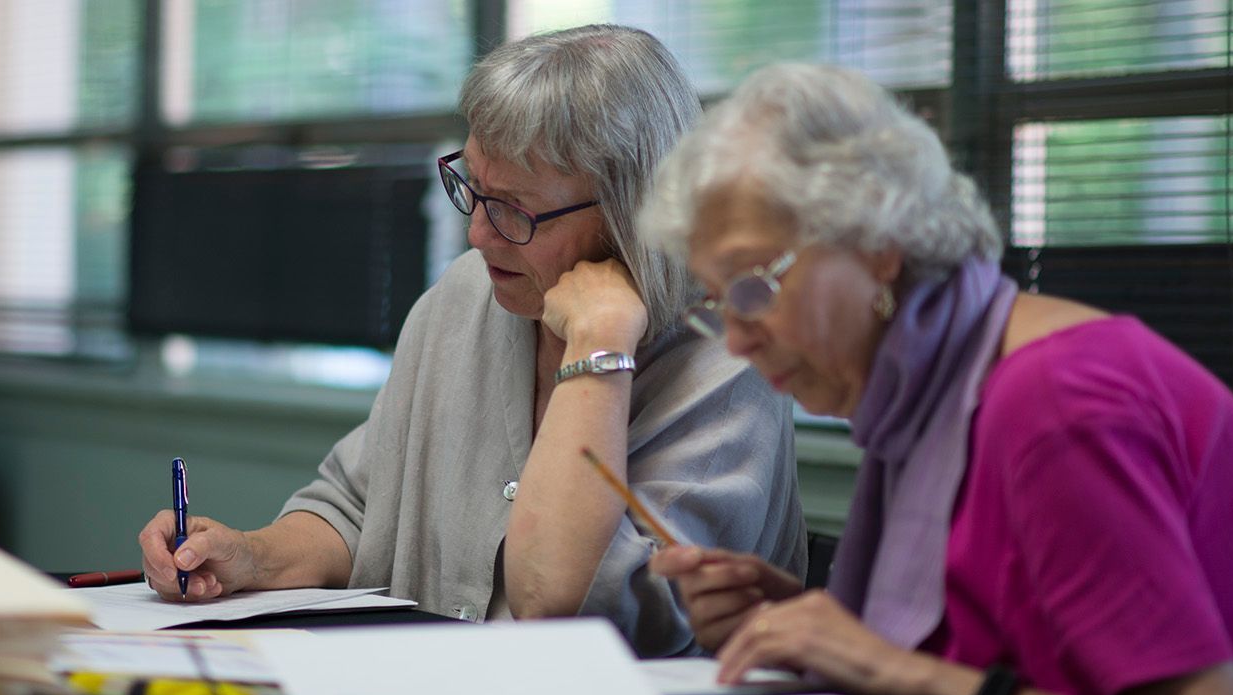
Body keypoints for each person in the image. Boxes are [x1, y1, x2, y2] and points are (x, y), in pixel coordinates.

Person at [639, 63, 1233, 695]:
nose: (737, 341)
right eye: (716, 304)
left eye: (752, 287)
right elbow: (989, 651)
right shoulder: (931, 386)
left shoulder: (1058, 404)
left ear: (878, 246)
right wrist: (799, 631)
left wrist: (890, 669)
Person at [138, 25, 807, 657]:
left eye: (514, 209)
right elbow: (355, 510)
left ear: (633, 214)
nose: (478, 235)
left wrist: (598, 342)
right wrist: (251, 557)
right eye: (474, 189)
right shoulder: (468, 296)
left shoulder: (725, 360)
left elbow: (574, 604)